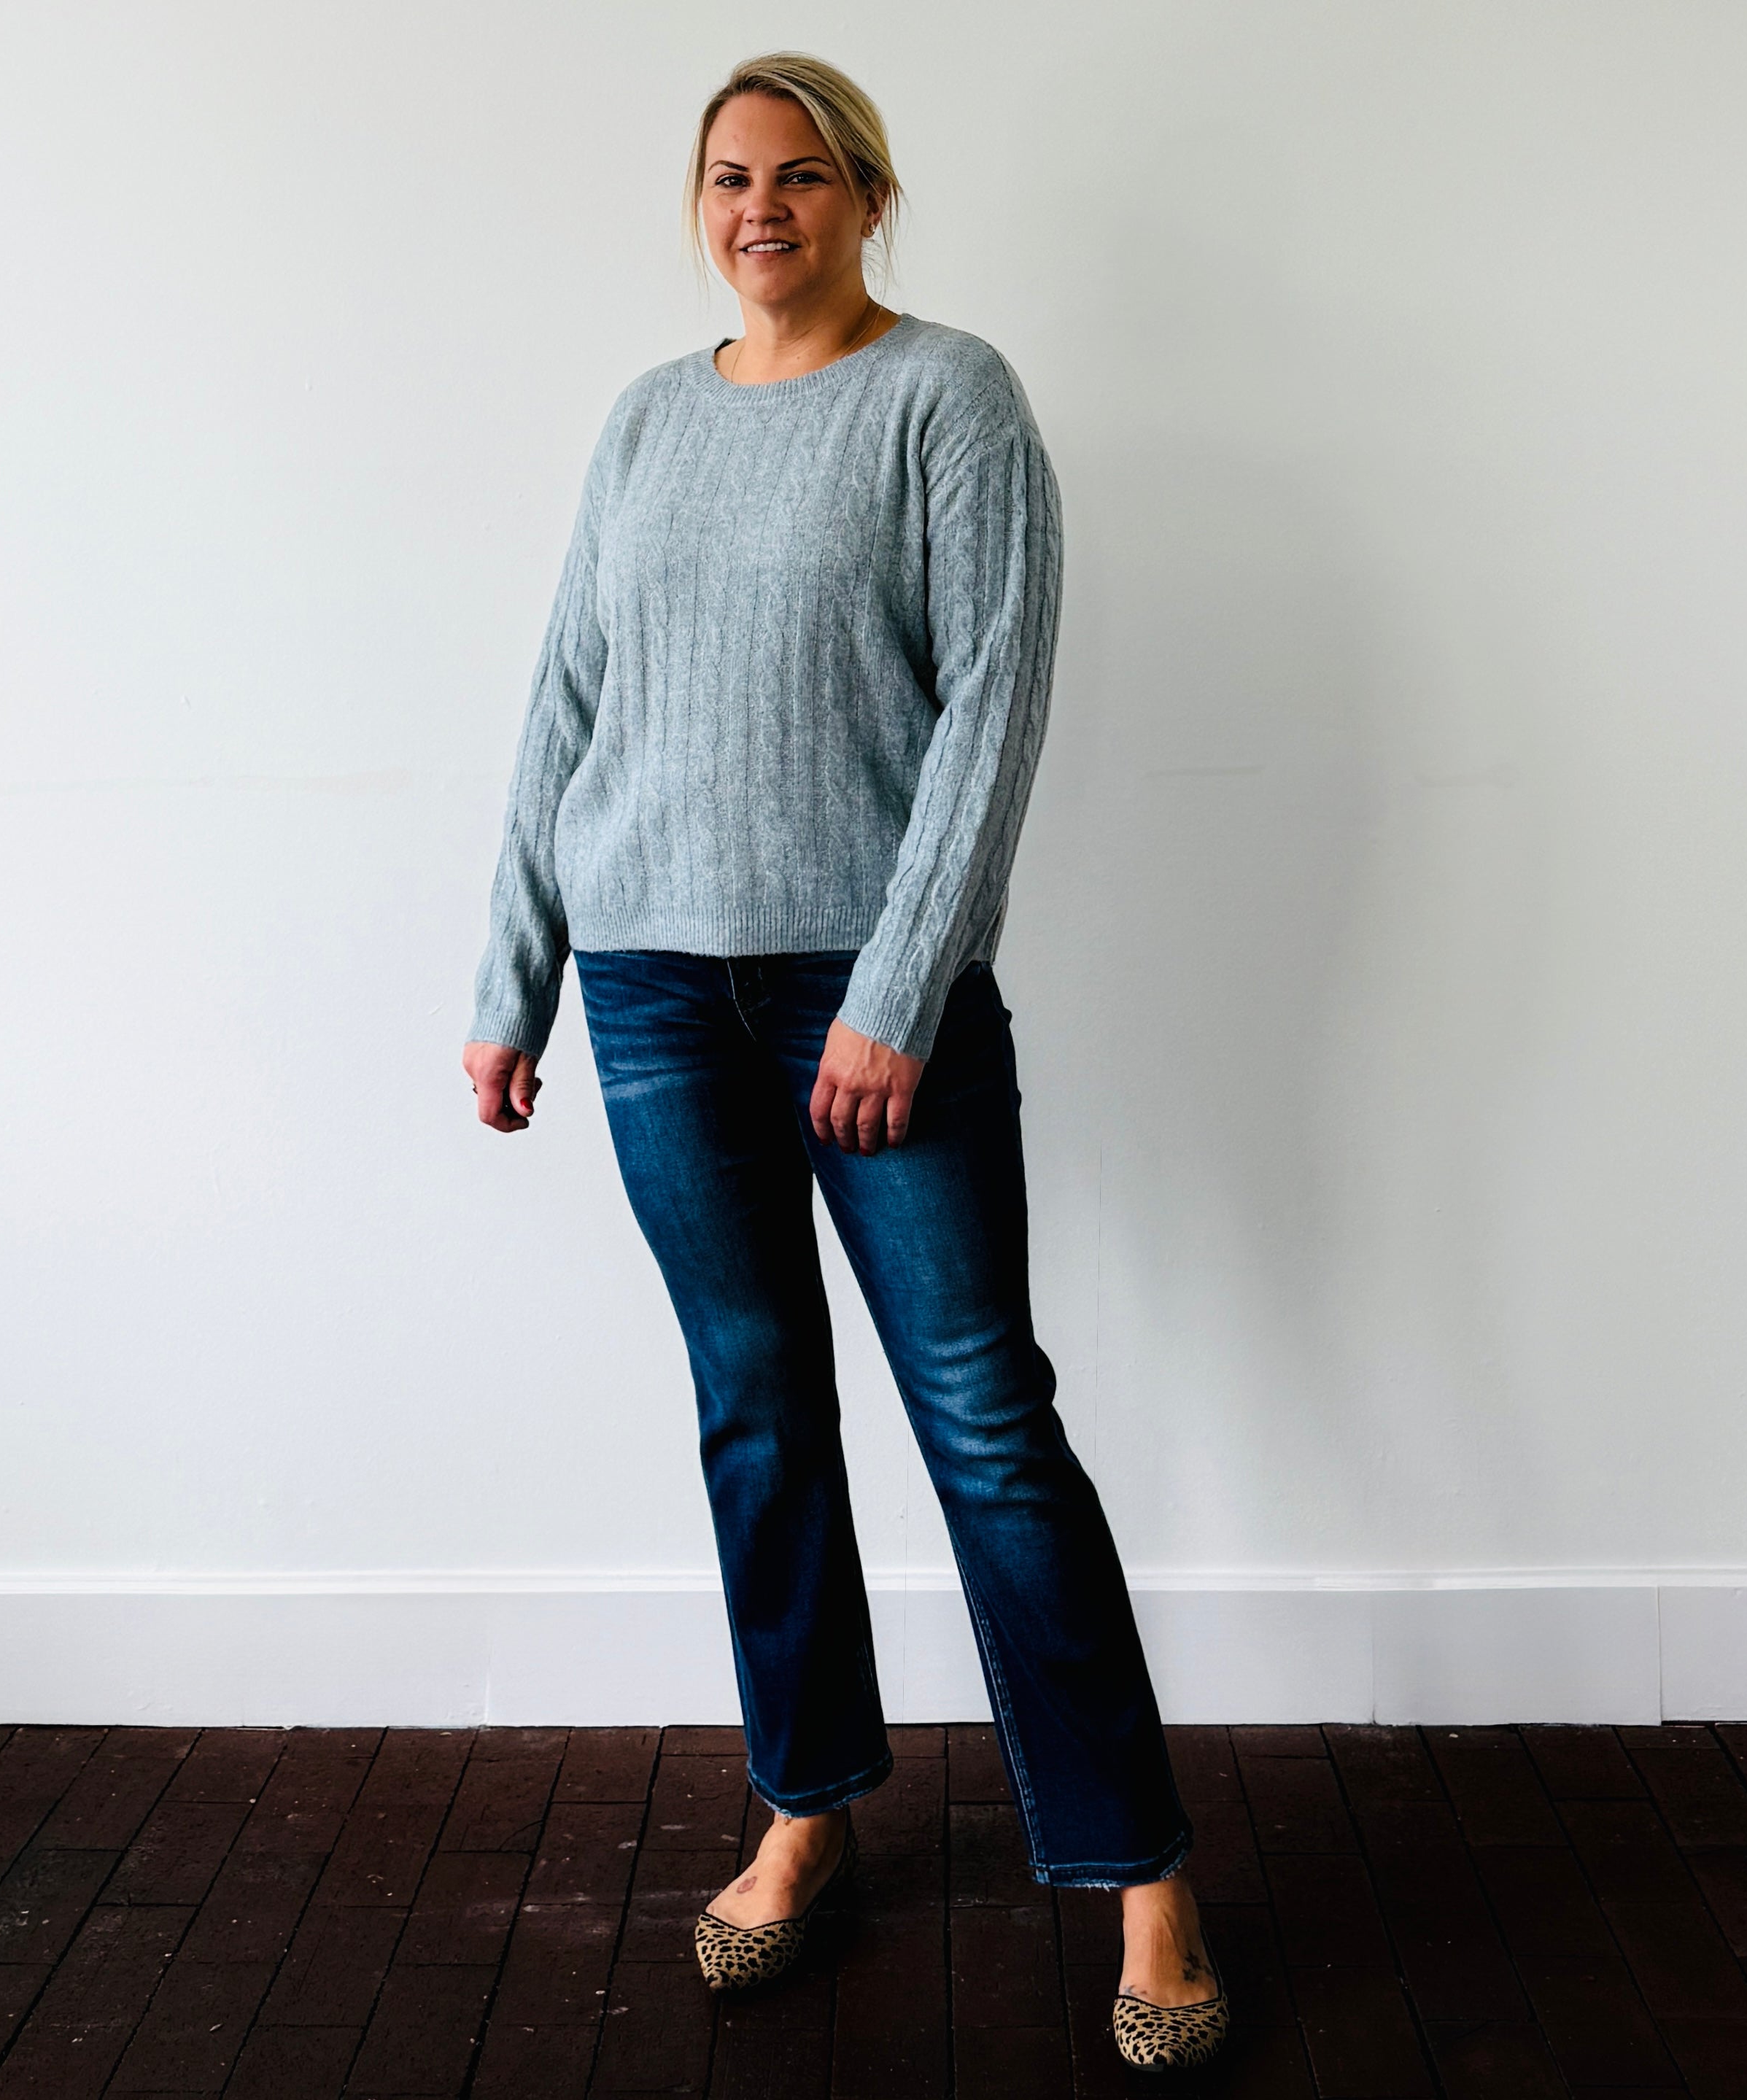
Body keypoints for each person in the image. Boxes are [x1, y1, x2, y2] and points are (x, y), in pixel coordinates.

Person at [463, 50, 1226, 2074]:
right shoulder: (647, 419)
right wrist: (516, 975)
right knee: (757, 1409)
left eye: (802, 176)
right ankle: (806, 1808)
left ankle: (1142, 1867)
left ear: (869, 198)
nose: (762, 209)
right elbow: (566, 702)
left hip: (864, 996)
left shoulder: (948, 401)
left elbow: (993, 705)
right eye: (731, 178)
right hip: (650, 988)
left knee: (984, 1420)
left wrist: (901, 989)